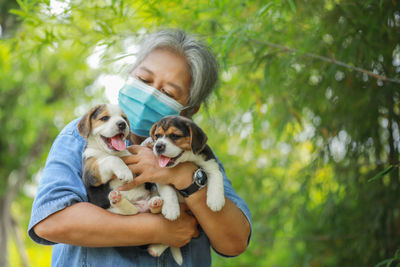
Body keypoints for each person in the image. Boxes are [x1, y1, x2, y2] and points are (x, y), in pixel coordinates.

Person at [28, 29, 252, 266]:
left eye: (167, 92)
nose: (149, 95)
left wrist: (184, 177)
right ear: (130, 75)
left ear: (189, 110)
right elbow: (50, 222)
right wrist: (156, 229)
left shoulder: (194, 154)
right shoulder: (83, 135)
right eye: (144, 80)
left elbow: (234, 241)